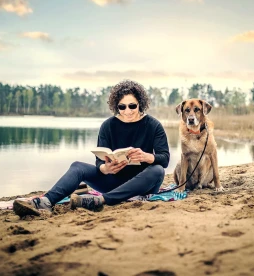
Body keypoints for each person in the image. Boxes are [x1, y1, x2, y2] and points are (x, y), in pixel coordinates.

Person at [13, 80, 170, 216]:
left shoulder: (153, 125)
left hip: (143, 184)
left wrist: (147, 157)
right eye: (122, 107)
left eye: (132, 106)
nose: (127, 111)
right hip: (113, 181)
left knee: (157, 170)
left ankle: (100, 200)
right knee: (78, 167)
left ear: (140, 104)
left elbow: (165, 158)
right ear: (116, 107)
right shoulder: (108, 126)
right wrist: (105, 169)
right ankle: (46, 202)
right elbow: (98, 162)